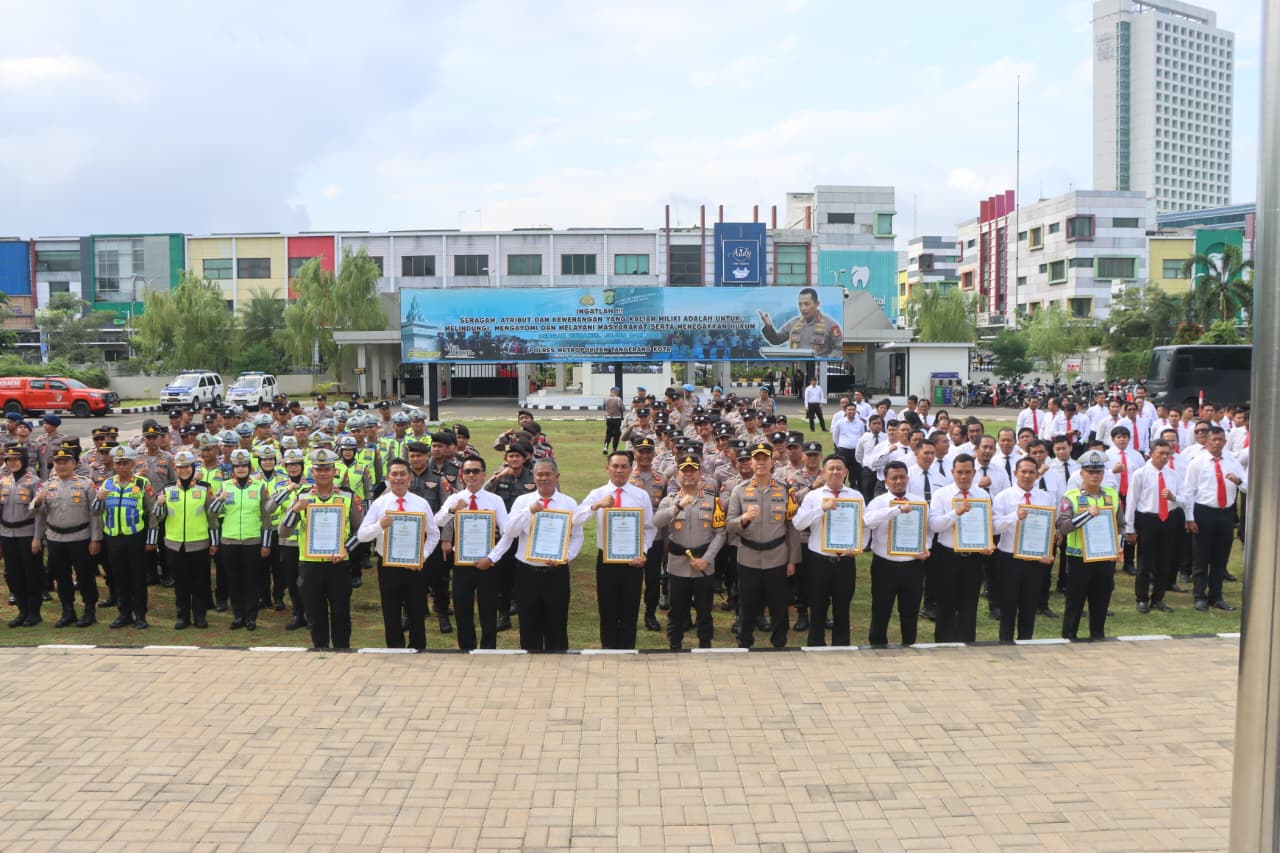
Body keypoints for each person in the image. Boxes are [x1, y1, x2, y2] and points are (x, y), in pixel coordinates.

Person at [492, 458, 584, 652]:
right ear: (534, 477)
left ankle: (557, 665)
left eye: (548, 474)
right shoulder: (523, 501)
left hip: (556, 572)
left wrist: (566, 556)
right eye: (539, 474)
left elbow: (577, 536)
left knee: (557, 622)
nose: (543, 478)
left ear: (556, 476)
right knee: (528, 623)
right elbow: (510, 531)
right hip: (527, 572)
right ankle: (530, 667)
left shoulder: (568, 503)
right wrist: (529, 512)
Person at [278, 448, 364, 649]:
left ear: (335, 471)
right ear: (312, 472)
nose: (323, 473)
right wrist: (295, 510)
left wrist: (346, 549)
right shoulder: (302, 495)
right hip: (310, 565)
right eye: (319, 469)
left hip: (338, 563)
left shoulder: (348, 496)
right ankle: (320, 651)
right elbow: (283, 532)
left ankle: (342, 650)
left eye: (327, 469)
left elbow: (360, 531)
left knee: (341, 612)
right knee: (315, 613)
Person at [575, 450, 657, 650]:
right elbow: (575, 519)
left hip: (633, 560)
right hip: (607, 560)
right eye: (615, 466)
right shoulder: (598, 493)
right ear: (607, 468)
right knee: (608, 610)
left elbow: (649, 528)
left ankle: (628, 651)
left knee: (630, 610)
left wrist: (643, 552)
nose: (619, 471)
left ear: (631, 468)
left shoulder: (641, 495)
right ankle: (609, 652)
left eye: (624, 466)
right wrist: (596, 506)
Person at [357, 457, 441, 651]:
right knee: (391, 610)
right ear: (388, 478)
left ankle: (418, 647)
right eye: (394, 474)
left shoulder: (421, 503)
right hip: (388, 565)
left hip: (414, 565)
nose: (399, 478)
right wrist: (380, 525)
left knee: (416, 609)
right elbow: (362, 535)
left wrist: (423, 556)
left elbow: (434, 534)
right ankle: (395, 648)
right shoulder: (380, 504)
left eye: (403, 474)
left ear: (409, 478)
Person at [726, 441, 800, 648]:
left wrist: (793, 560)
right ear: (750, 462)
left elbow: (792, 527)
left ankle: (779, 642)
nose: (760, 463)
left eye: (764, 459)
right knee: (748, 603)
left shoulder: (785, 490)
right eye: (756, 459)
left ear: (772, 462)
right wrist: (744, 518)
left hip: (777, 555)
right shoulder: (739, 491)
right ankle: (745, 641)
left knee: (778, 604)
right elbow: (729, 525)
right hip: (748, 555)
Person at [436, 457, 510, 650]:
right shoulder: (454, 498)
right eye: (467, 471)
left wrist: (491, 558)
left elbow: (507, 533)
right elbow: (436, 522)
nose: (471, 475)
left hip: (487, 563)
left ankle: (488, 649)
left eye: (475, 471)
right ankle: (466, 649)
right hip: (461, 564)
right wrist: (452, 510)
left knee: (488, 610)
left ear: (484, 474)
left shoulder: (495, 500)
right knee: (462, 610)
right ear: (462, 475)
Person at [791, 454, 864, 646]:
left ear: (846, 472)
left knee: (842, 607)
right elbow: (798, 524)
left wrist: (858, 546)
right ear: (823, 472)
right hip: (819, 560)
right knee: (817, 606)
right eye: (831, 468)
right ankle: (816, 644)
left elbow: (863, 526)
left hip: (845, 561)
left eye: (839, 468)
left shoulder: (856, 496)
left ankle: (841, 646)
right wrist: (821, 509)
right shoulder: (813, 496)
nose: (835, 472)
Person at [653, 455, 725, 650]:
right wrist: (676, 508)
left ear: (700, 474)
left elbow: (720, 534)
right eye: (685, 471)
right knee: (676, 611)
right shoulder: (670, 501)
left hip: (704, 566)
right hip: (678, 566)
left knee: (704, 611)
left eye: (693, 470)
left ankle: (705, 645)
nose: (689, 474)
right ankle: (674, 646)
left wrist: (707, 559)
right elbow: (657, 522)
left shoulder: (713, 502)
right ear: (677, 475)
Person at [33, 446, 103, 628]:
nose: (62, 466)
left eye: (66, 462)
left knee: (85, 576)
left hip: (80, 537)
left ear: (74, 463)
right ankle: (68, 611)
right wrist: (37, 537)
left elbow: (95, 513)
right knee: (61, 577)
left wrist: (96, 538)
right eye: (58, 462)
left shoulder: (86, 484)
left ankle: (89, 611)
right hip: (55, 538)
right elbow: (38, 513)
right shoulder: (47, 486)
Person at [863, 460, 931, 646]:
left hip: (912, 565)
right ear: (886, 481)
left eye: (902, 477)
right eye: (894, 478)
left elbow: (928, 530)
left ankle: (909, 645)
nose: (899, 481)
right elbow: (867, 522)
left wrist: (925, 547)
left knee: (910, 611)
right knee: (881, 609)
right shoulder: (878, 502)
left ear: (908, 478)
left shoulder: (919, 503)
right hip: (885, 565)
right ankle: (877, 646)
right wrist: (896, 510)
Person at [927, 454, 993, 643]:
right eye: (959, 472)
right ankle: (943, 644)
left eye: (967, 472)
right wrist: (956, 512)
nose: (963, 477)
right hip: (947, 556)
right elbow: (934, 525)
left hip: (973, 558)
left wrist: (986, 543)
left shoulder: (982, 495)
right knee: (946, 603)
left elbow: (986, 525)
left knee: (969, 604)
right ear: (952, 472)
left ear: (974, 472)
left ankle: (966, 643)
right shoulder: (942, 494)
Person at [1181, 426, 1246, 612]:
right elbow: (1189, 492)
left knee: (1220, 557)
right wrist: (1189, 518)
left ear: (1225, 442)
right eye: (1214, 440)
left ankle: (1216, 596)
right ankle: (1199, 596)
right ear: (1206, 441)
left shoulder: (1232, 461)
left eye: (1221, 440)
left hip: (1226, 513)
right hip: (1204, 512)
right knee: (1202, 557)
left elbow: (1248, 487)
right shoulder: (1197, 463)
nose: (1217, 443)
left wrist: (1238, 482)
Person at [1057, 449, 1119, 640]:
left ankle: (1098, 637)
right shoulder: (1071, 497)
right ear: (1081, 473)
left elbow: (1121, 524)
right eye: (1090, 471)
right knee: (1075, 603)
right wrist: (1086, 515)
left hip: (1105, 556)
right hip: (1079, 557)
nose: (1094, 476)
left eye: (1098, 472)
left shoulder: (1111, 495)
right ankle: (1068, 637)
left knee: (1101, 602)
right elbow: (1063, 527)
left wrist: (1120, 546)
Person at [992, 458, 1056, 642]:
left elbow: (1049, 528)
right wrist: (1015, 516)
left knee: (1029, 605)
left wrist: (1046, 552)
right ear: (1015, 473)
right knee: (1008, 605)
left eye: (1031, 472)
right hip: (1009, 558)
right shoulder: (1004, 496)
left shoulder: (1045, 497)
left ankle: (1026, 641)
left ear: (1037, 474)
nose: (1027, 476)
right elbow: (994, 527)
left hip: (1035, 559)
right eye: (1024, 472)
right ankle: (1005, 642)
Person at [95, 445, 156, 629]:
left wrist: (151, 539)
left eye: (125, 463)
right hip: (113, 537)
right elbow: (96, 510)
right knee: (119, 577)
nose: (121, 466)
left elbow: (153, 512)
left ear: (133, 463)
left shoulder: (142, 483)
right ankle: (124, 614)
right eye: (118, 463)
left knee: (138, 577)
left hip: (135, 536)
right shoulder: (108, 483)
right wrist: (98, 499)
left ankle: (140, 615)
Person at [157, 450, 219, 630]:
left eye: (187, 467)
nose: (184, 470)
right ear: (175, 468)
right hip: (174, 544)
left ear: (193, 467)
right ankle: (182, 616)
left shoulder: (204, 488)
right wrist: (159, 504)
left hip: (199, 542)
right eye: (180, 467)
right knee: (181, 583)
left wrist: (214, 542)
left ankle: (200, 615)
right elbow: (158, 517)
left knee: (199, 582)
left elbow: (212, 518)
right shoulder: (168, 489)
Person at [215, 449, 273, 631]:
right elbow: (212, 514)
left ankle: (251, 617)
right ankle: (238, 615)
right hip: (229, 541)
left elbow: (266, 518)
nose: (240, 468)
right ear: (232, 468)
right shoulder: (224, 486)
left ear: (249, 467)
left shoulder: (259, 487)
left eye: (244, 465)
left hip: (252, 541)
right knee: (234, 580)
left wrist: (266, 543)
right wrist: (219, 500)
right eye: (237, 465)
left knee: (251, 580)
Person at [1124, 439, 1181, 614]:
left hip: (1168, 518)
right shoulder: (1140, 474)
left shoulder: (1173, 474)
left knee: (1164, 561)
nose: (1164, 457)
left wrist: (1173, 497)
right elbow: (1132, 501)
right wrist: (1130, 528)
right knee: (1145, 561)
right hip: (1147, 519)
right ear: (1151, 453)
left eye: (1167, 454)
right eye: (1160, 453)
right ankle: (1142, 598)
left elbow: (1184, 498)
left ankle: (1158, 598)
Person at [0, 444, 43, 627]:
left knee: (31, 573)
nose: (13, 463)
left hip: (27, 533)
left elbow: (40, 514)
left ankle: (34, 612)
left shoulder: (34, 482)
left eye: (16, 459)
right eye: (9, 460)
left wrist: (37, 538)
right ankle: (21, 610)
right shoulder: (3, 482)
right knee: (14, 574)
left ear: (24, 460)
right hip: (7, 534)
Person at [757, 287, 843, 356]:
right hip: (797, 369)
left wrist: (824, 361)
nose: (803, 308)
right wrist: (769, 326)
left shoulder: (830, 325)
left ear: (817, 304)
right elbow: (776, 340)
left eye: (806, 304)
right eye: (800, 304)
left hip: (819, 371)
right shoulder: (794, 324)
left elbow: (839, 348)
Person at [602, 386, 624, 456]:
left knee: (608, 433)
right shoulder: (618, 399)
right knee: (616, 434)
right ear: (616, 392)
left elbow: (603, 407)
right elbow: (623, 408)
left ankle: (605, 447)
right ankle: (614, 450)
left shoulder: (606, 398)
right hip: (617, 418)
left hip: (608, 418)